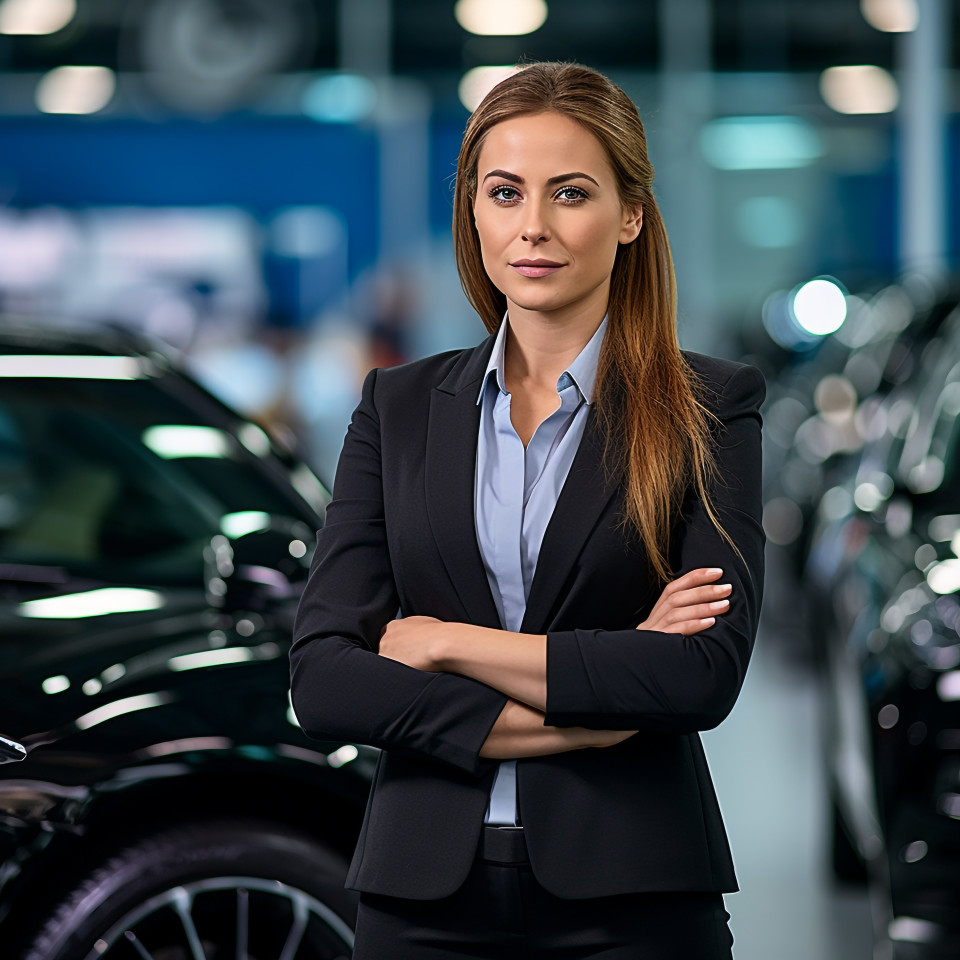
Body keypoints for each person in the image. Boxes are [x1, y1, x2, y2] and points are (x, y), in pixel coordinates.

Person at [290, 61, 765, 959]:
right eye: (505, 193)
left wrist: (449, 644)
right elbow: (325, 677)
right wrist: (601, 708)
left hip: (635, 897)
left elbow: (700, 674)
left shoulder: (710, 407)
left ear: (629, 215)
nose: (534, 227)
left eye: (571, 193)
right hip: (420, 896)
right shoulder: (396, 409)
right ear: (474, 211)